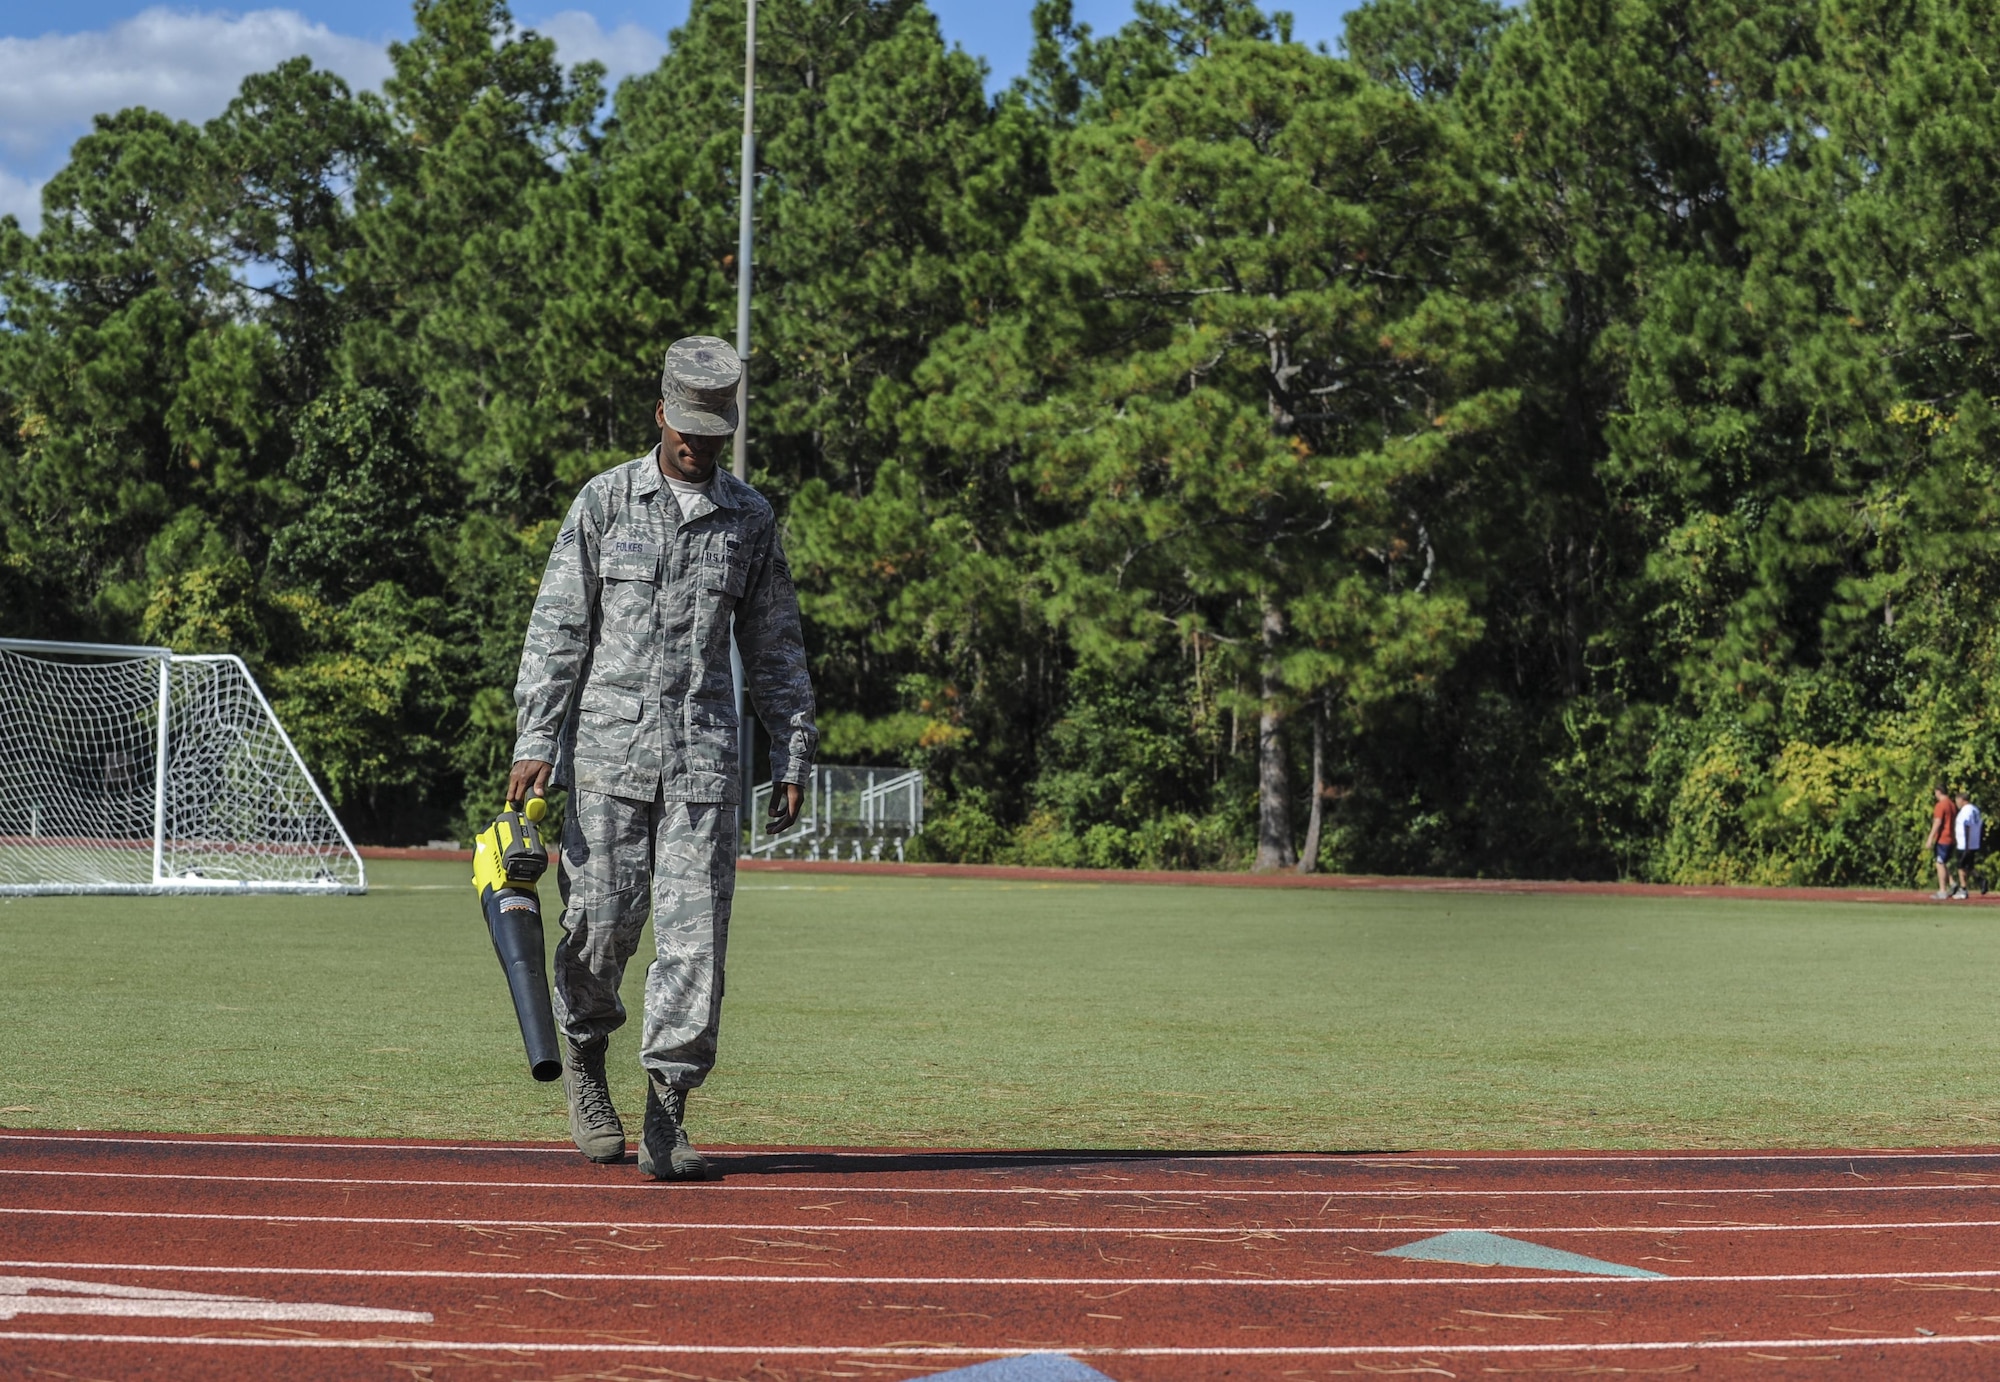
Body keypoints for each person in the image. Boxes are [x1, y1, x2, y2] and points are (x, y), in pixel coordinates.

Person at [506, 336, 817, 1180]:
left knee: (694, 946)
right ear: (661, 416)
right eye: (688, 432)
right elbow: (559, 628)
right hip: (608, 761)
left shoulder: (749, 519)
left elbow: (777, 645)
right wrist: (537, 738)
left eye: (714, 436)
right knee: (599, 930)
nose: (699, 447)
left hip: (703, 768)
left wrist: (790, 751)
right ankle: (585, 1066)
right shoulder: (605, 503)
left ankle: (666, 1116)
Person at [1953, 789, 1984, 901]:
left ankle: (1963, 889)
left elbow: (1967, 826)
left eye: (1957, 800)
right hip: (1973, 843)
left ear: (1962, 800)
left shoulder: (1966, 811)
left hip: (1965, 844)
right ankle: (1980, 879)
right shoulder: (1975, 809)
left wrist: (1966, 846)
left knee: (1961, 867)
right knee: (1969, 866)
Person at [1927, 784, 1956, 900]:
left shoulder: (1941, 805)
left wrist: (1930, 837)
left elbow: (1937, 822)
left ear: (1938, 792)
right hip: (1951, 838)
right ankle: (1953, 883)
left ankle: (1942, 890)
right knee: (1943, 862)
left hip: (1943, 838)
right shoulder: (1952, 804)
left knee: (1940, 863)